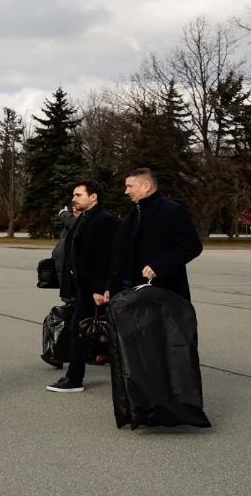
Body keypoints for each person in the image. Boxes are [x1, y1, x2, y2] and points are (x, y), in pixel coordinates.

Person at [46, 181, 118, 393]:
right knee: (81, 330)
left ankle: (74, 378)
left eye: (78, 195)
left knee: (83, 330)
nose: (74, 199)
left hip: (94, 291)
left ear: (93, 197)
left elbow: (105, 259)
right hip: (84, 289)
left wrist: (101, 288)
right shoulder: (85, 218)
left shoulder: (104, 221)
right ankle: (75, 376)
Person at [103, 168, 202, 303]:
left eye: (130, 186)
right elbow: (120, 254)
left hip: (163, 295)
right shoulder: (133, 216)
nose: (126, 191)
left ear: (146, 186)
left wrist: (159, 267)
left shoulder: (172, 211)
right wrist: (111, 286)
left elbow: (192, 246)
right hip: (133, 296)